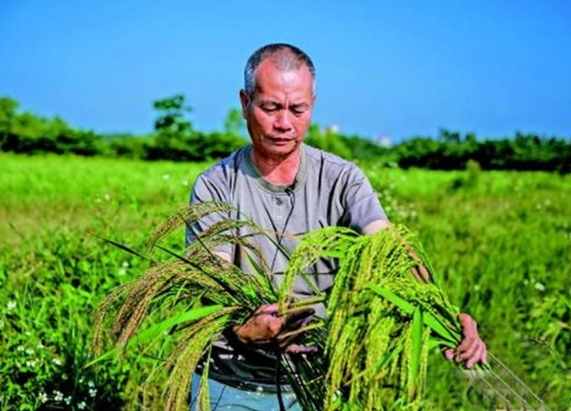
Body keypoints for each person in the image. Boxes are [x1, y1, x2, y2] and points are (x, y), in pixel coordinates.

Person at [186, 43, 487, 410]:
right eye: (270, 108)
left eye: (298, 109)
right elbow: (213, 277)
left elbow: (389, 248)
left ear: (312, 104)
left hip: (315, 386)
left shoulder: (342, 180)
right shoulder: (215, 185)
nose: (285, 123)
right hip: (229, 386)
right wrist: (243, 329)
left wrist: (442, 311)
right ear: (245, 102)